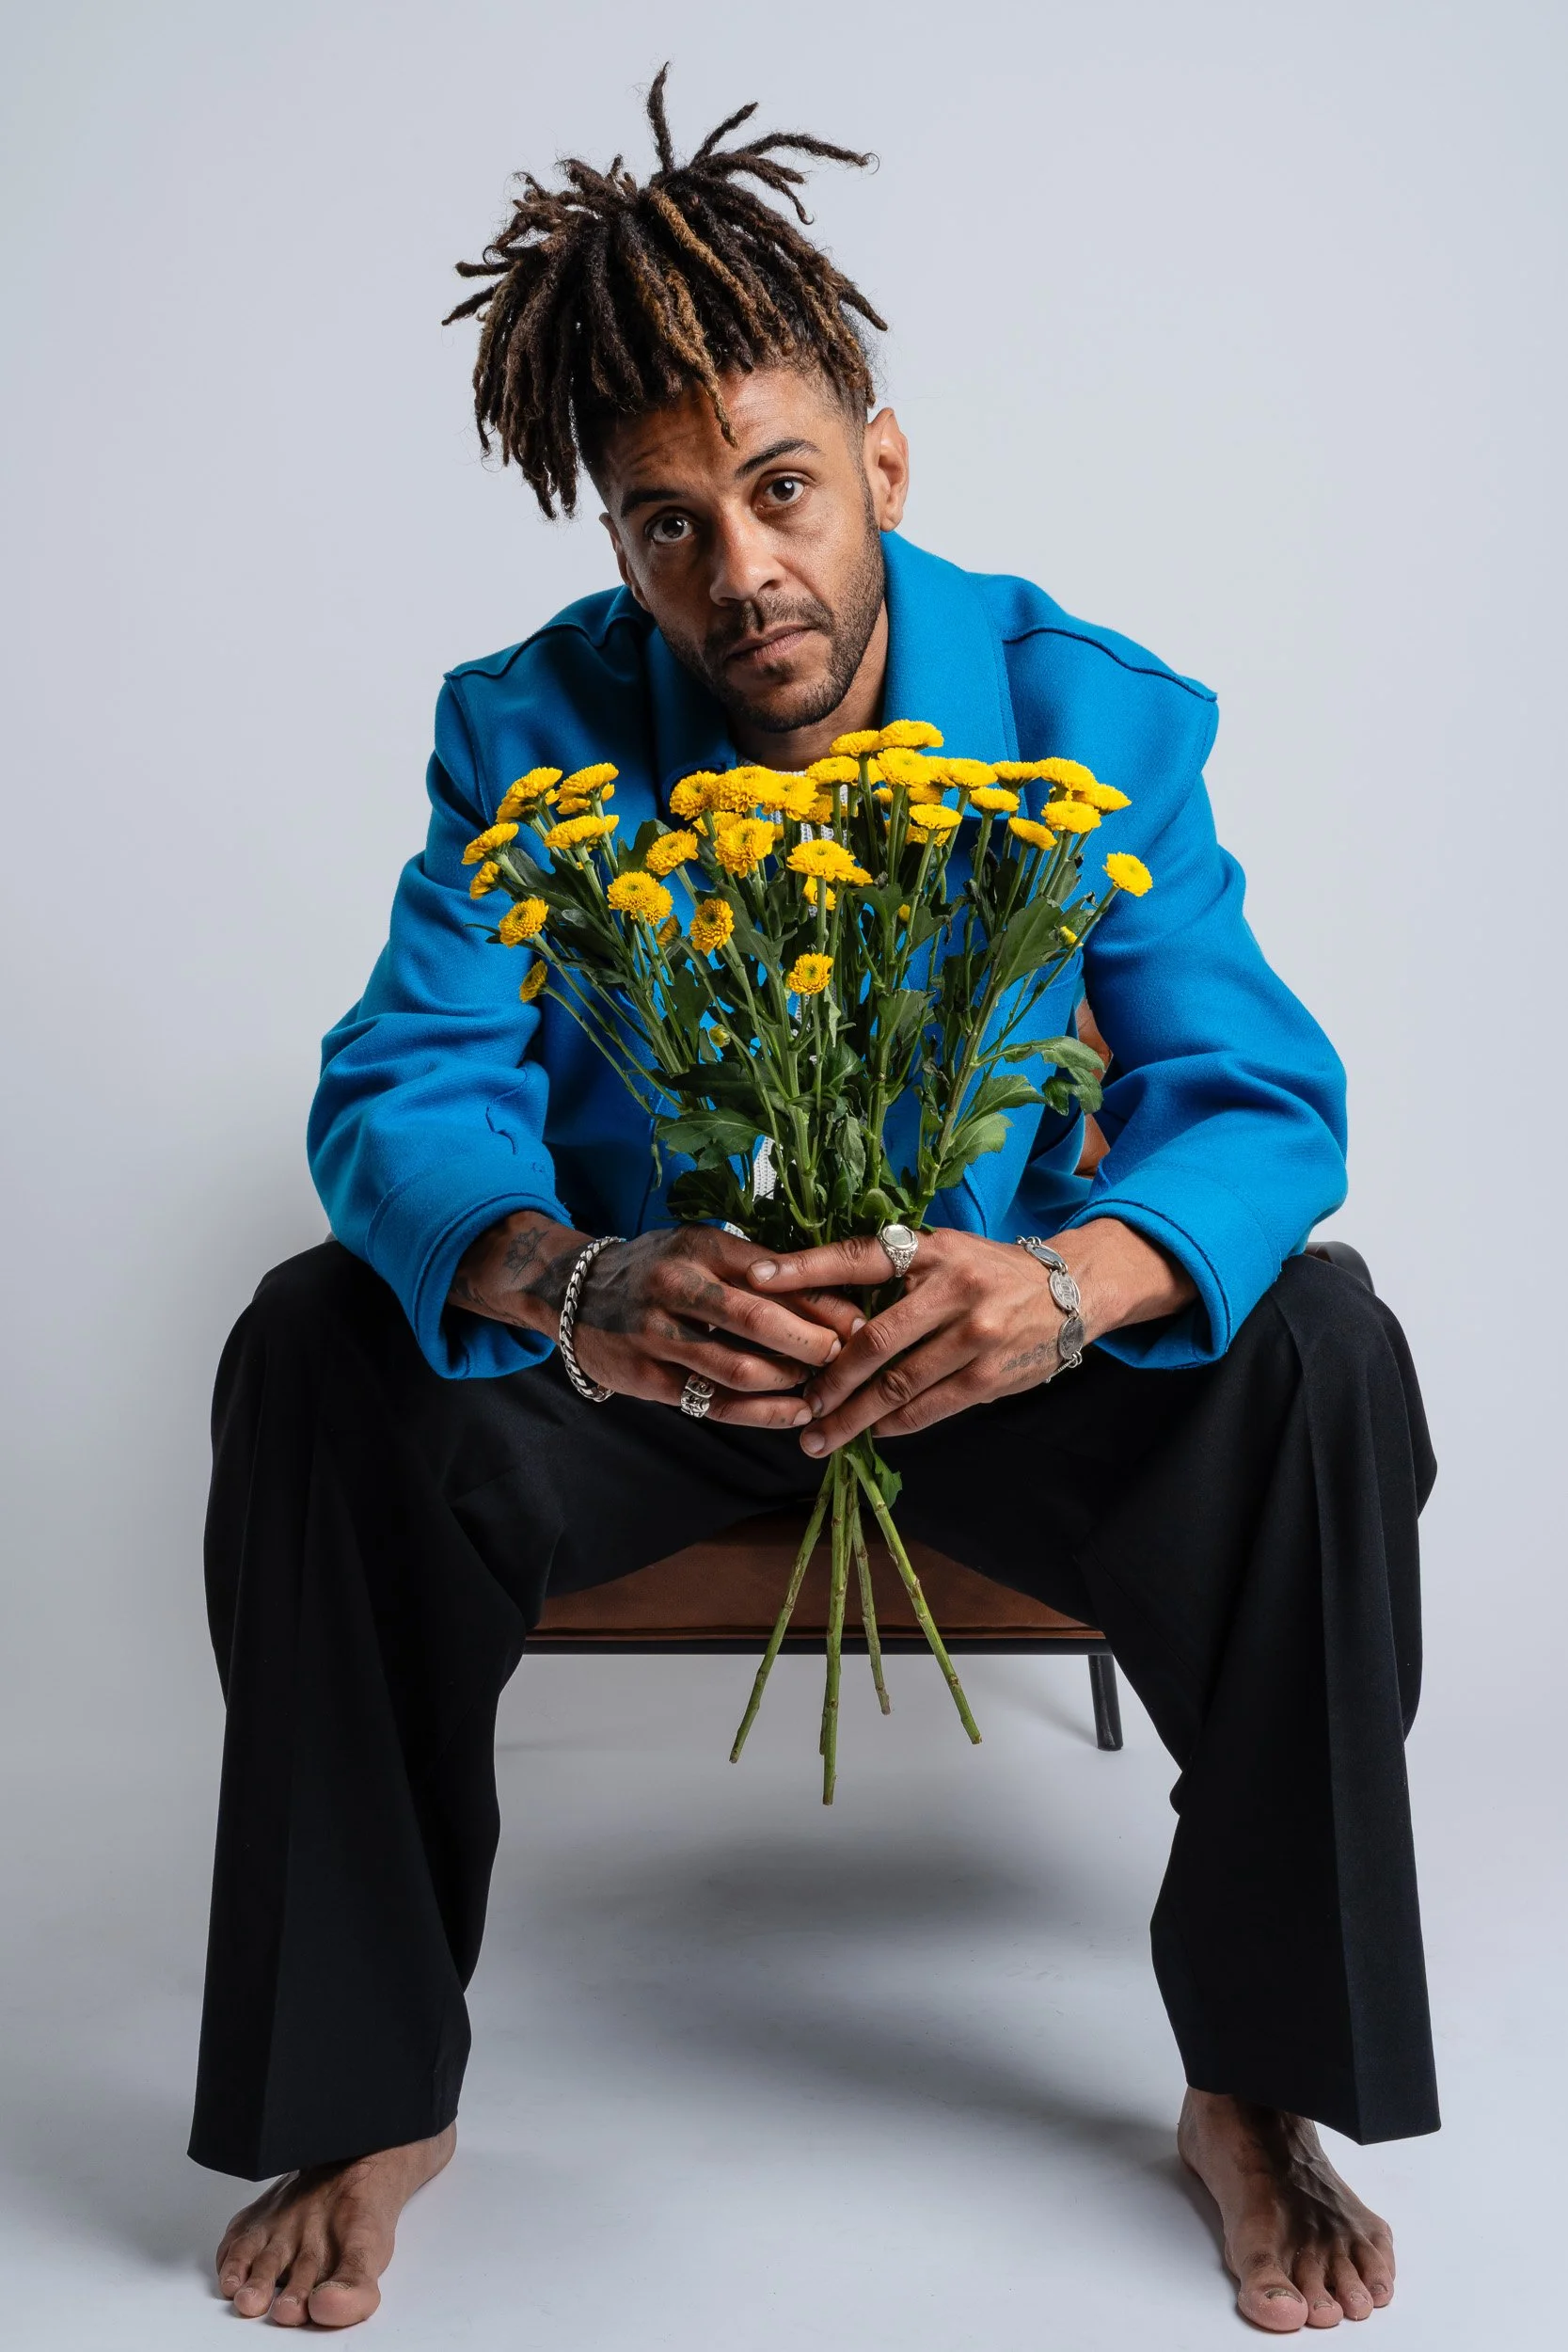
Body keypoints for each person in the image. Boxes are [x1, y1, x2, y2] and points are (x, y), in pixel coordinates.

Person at [194, 70, 1437, 2332]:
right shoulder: (531, 727)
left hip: (997, 1361)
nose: (735, 569)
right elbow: (401, 1080)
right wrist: (578, 1279)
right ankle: (364, 2084)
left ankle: (1260, 2079)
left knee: (1324, 1344)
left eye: (776, 489)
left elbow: (1250, 1092)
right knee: (308, 1336)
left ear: (878, 460)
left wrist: (1063, 1284)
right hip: (657, 1364)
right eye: (663, 523)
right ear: (607, 539)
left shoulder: (1088, 709)